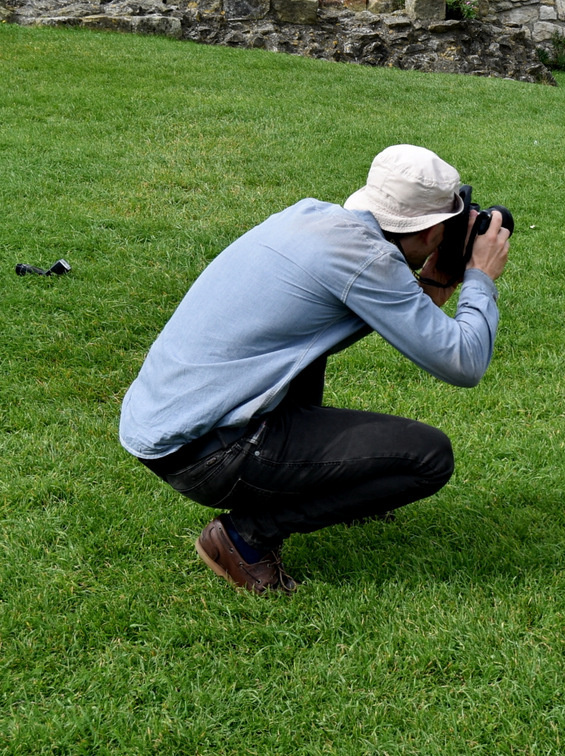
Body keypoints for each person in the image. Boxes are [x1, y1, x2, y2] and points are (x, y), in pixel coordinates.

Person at [119, 144, 512, 594]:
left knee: (305, 348)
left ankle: (331, 486)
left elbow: (396, 310)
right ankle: (246, 537)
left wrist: (436, 279)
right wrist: (480, 276)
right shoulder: (368, 258)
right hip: (207, 453)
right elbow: (464, 362)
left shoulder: (311, 217)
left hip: (164, 425)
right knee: (429, 458)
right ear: (426, 232)